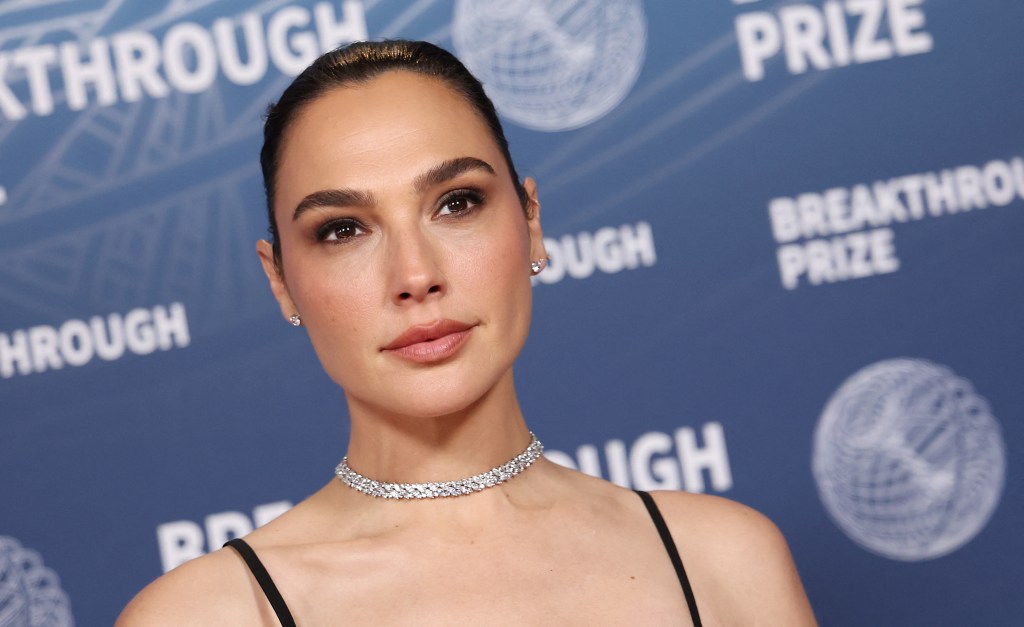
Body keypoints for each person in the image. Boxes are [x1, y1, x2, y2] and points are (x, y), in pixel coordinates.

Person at [117, 40, 816, 626]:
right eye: (343, 229)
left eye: (457, 203)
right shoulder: (208, 612)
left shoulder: (724, 561)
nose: (414, 275)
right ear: (280, 279)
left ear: (530, 217)